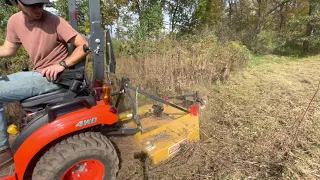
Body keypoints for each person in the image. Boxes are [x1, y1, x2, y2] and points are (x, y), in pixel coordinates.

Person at [0, 0, 89, 173]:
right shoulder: (14, 21)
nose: (38, 9)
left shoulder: (55, 21)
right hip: (37, 74)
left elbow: (84, 46)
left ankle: (2, 150)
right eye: (32, 5)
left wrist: (62, 64)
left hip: (54, 78)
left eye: (41, 4)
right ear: (18, 3)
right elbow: (8, 49)